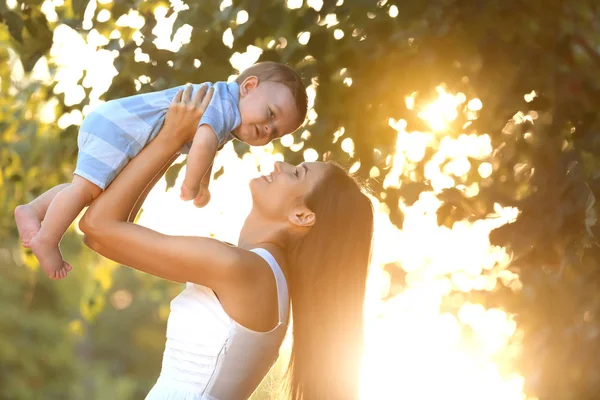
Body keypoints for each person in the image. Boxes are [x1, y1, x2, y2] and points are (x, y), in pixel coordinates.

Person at [79, 85, 374, 399]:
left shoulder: (239, 268)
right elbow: (101, 235)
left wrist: (171, 138)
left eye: (297, 173)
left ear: (302, 216)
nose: (280, 165)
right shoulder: (255, 272)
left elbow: (98, 228)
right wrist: (173, 141)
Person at [15, 61, 307, 280]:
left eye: (276, 132)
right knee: (85, 189)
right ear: (249, 87)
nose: (268, 129)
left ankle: (33, 211)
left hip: (116, 126)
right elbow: (203, 143)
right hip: (120, 129)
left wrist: (204, 183)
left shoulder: (226, 112)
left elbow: (206, 148)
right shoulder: (223, 104)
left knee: (88, 190)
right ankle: (47, 239)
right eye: (270, 114)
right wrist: (191, 184)